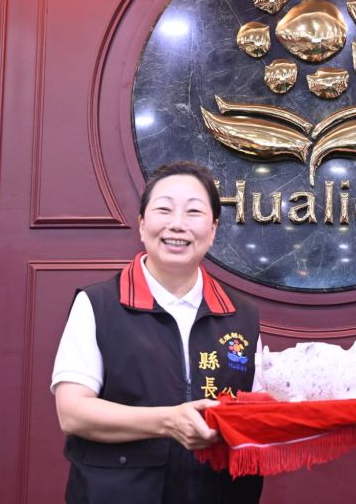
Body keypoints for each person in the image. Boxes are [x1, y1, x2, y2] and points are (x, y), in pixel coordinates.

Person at [51, 160, 263, 503]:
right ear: (141, 224)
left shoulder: (242, 316)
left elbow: (259, 411)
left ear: (213, 229)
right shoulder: (97, 304)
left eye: (194, 212)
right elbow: (73, 413)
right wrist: (168, 421)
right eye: (164, 209)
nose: (177, 224)